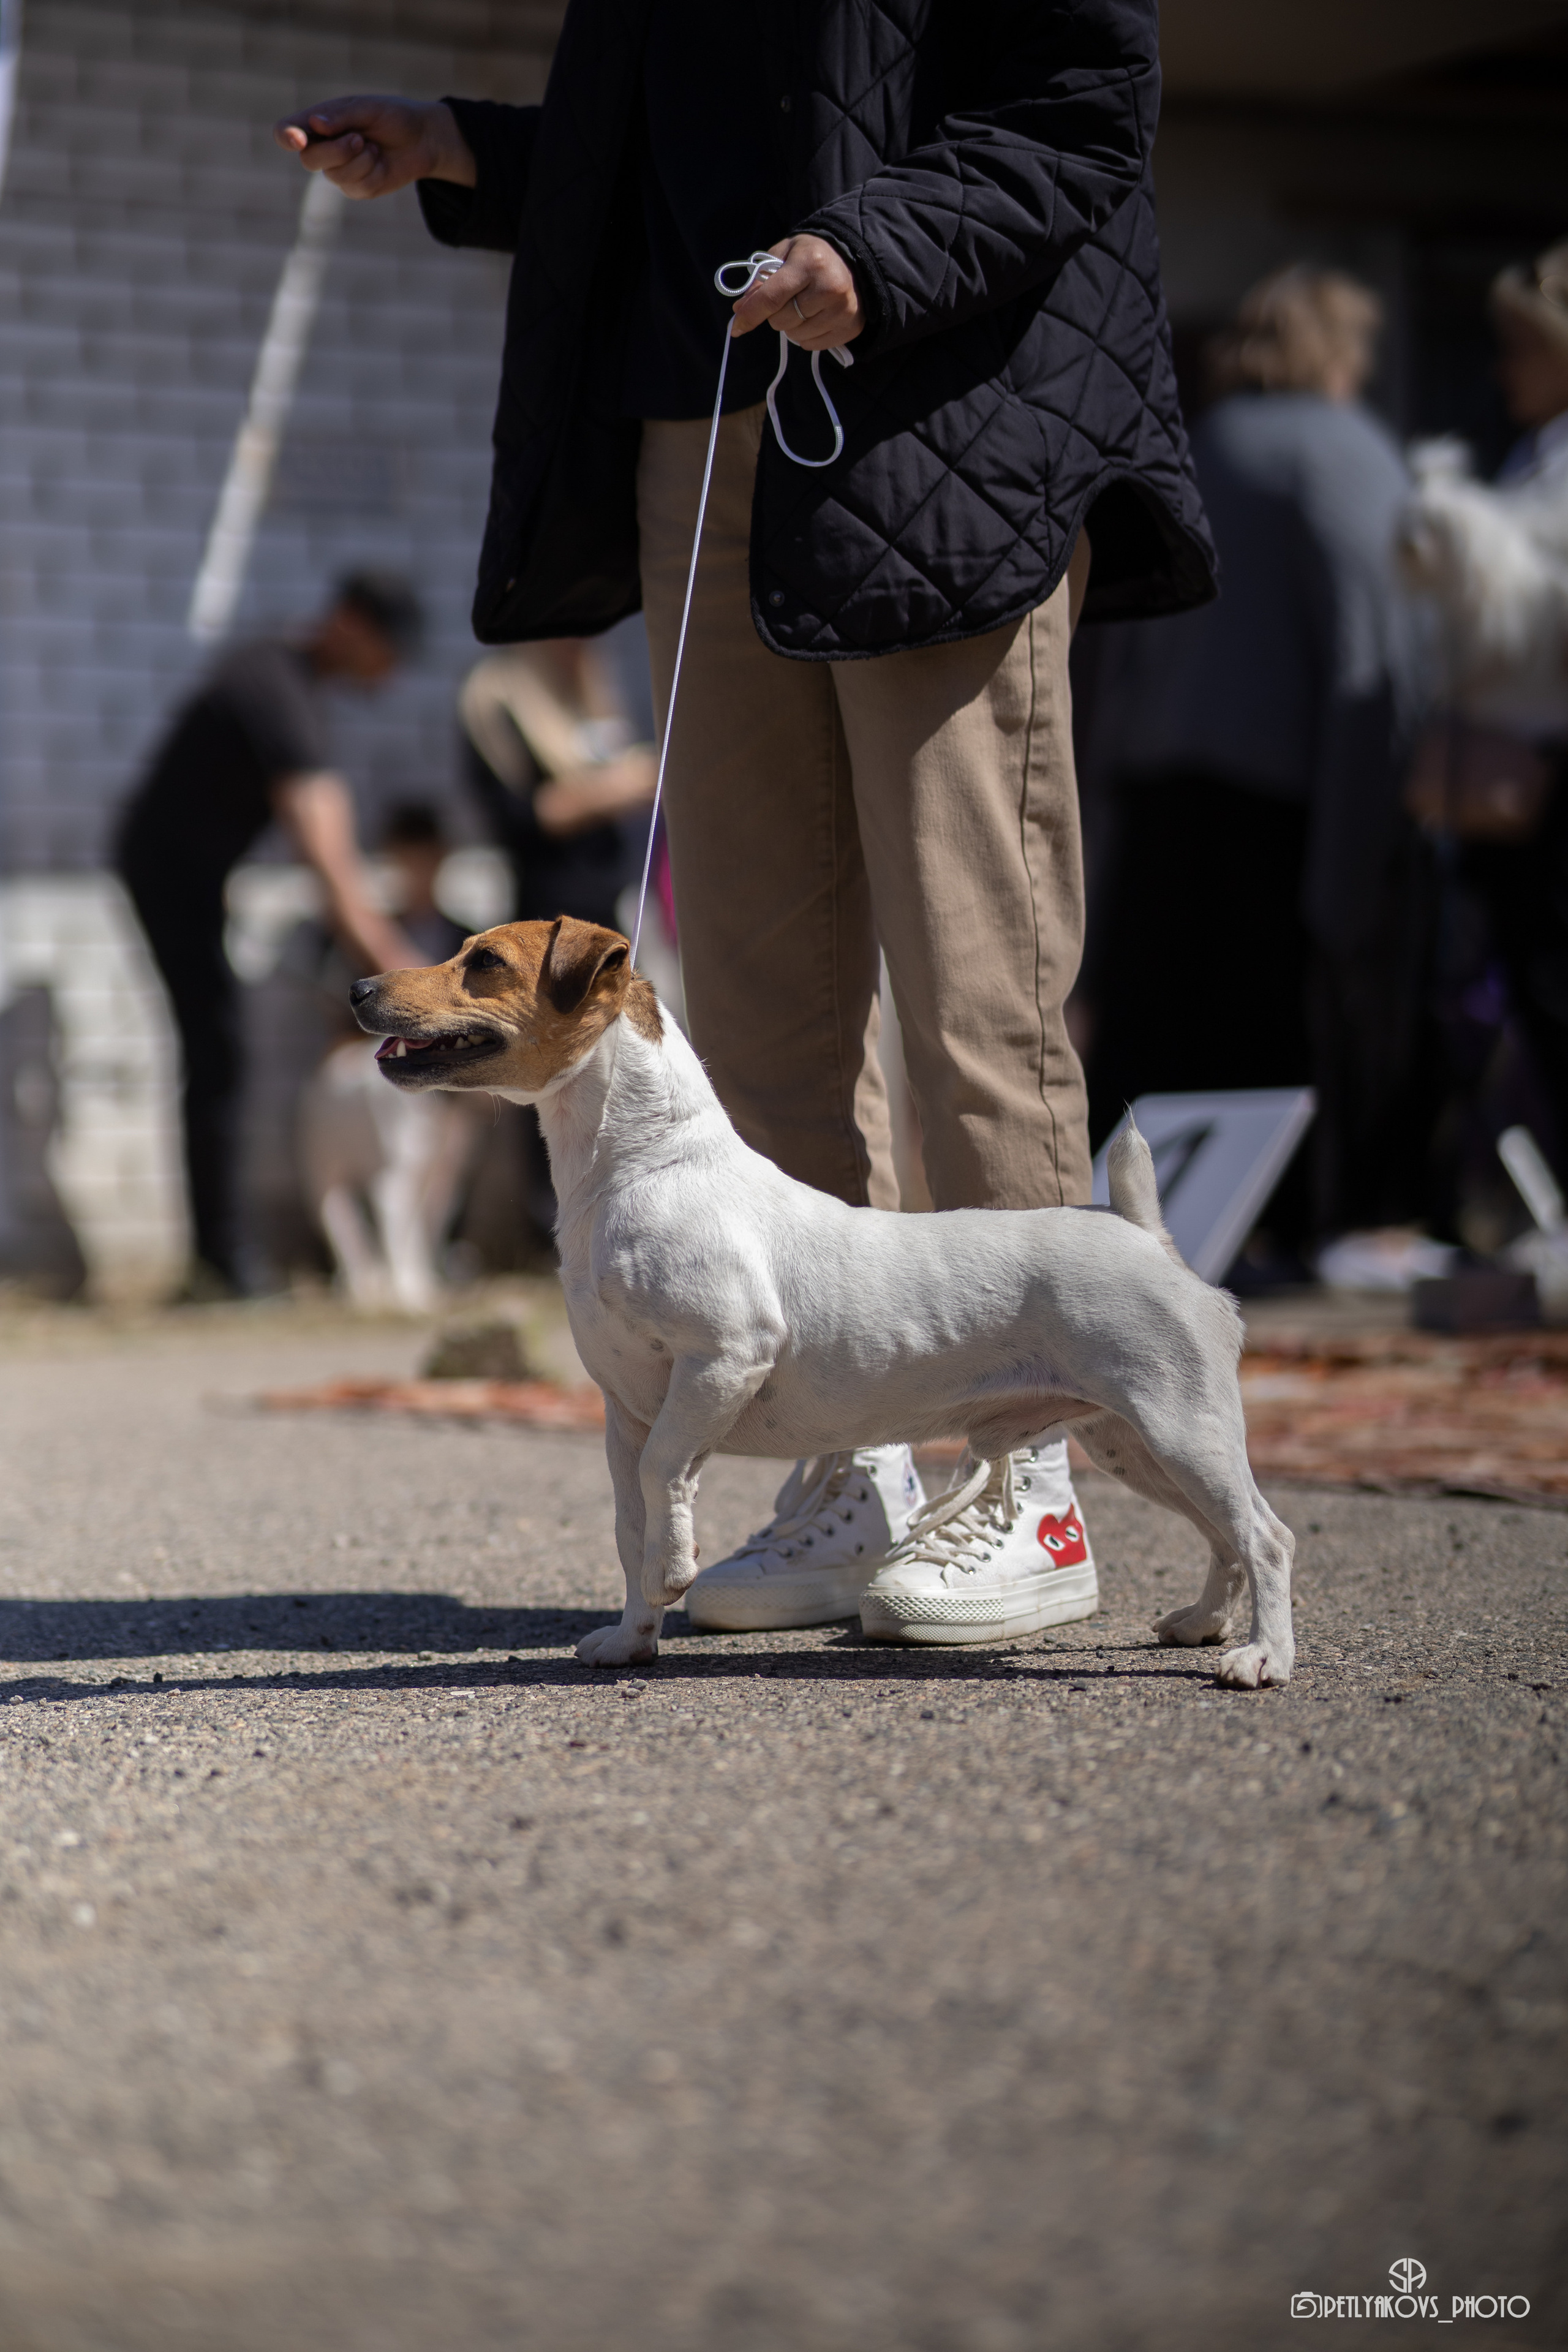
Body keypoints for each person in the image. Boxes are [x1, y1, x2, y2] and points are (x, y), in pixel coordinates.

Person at [276, 4, 1217, 1646]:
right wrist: (463, 148)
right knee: (767, 991)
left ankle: (1030, 1493)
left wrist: (881, 247)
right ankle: (845, 1486)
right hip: (695, 432)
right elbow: (680, 138)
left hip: (949, 415)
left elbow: (1078, 92)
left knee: (968, 977)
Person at [1080, 267, 1428, 1259]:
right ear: (1342, 355)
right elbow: (1377, 659)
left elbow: (1125, 657)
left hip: (1155, 808)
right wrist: (1354, 876)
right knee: (1281, 1058)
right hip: (1277, 818)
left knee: (1156, 1069)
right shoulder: (1347, 455)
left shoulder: (1192, 447)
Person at [116, 571, 424, 1298]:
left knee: (220, 1049)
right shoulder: (274, 688)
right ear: (350, 623)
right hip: (167, 875)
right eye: (389, 647)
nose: (391, 668)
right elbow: (333, 868)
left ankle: (222, 1259)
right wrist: (405, 978)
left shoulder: (290, 685)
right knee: (217, 1049)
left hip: (194, 878)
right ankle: (224, 1264)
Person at [1399, 239, 1568, 1186]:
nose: (1504, 369)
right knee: (1529, 997)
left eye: (1521, 347)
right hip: (1513, 770)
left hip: (1549, 771)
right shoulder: (1536, 454)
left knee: (1550, 990)